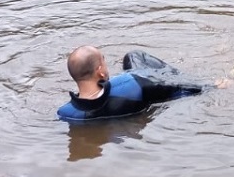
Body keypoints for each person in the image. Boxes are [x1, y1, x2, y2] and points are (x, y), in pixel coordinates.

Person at [57, 46, 212, 123]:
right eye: (104, 61)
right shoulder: (131, 85)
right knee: (133, 55)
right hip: (146, 78)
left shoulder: (66, 113)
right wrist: (212, 85)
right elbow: (177, 88)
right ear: (100, 73)